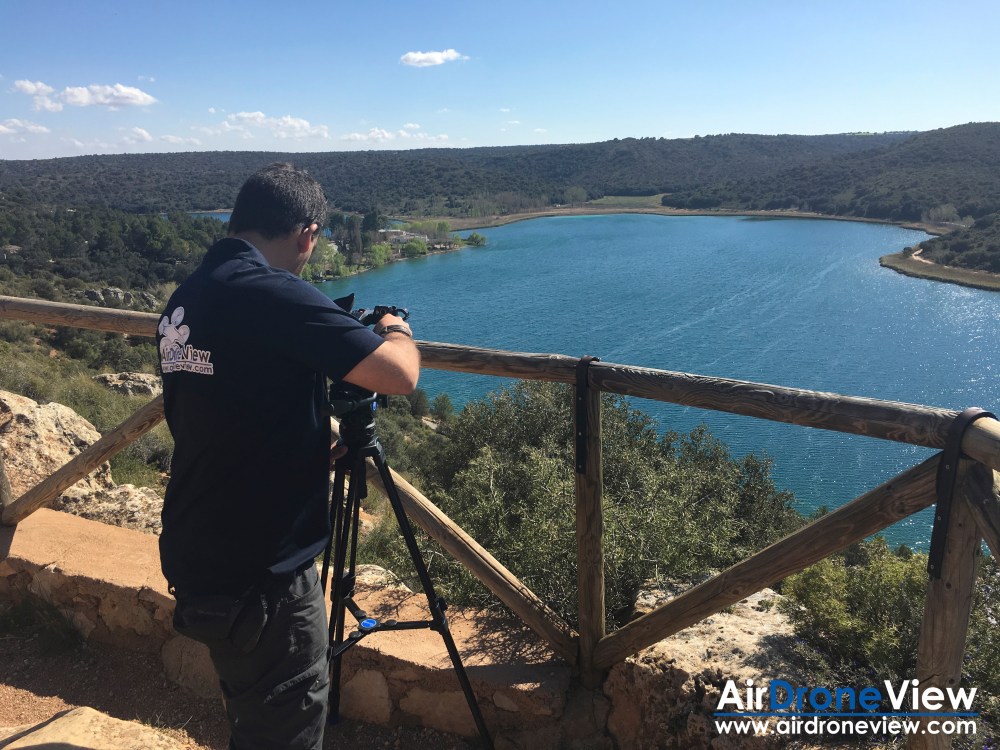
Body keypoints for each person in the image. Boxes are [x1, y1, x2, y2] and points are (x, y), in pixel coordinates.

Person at [156, 163, 419, 750]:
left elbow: (229, 401)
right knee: (289, 724)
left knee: (253, 712)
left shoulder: (191, 295)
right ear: (308, 233)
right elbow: (397, 376)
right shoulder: (274, 293)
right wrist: (396, 329)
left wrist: (304, 441)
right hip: (264, 570)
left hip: (197, 542)